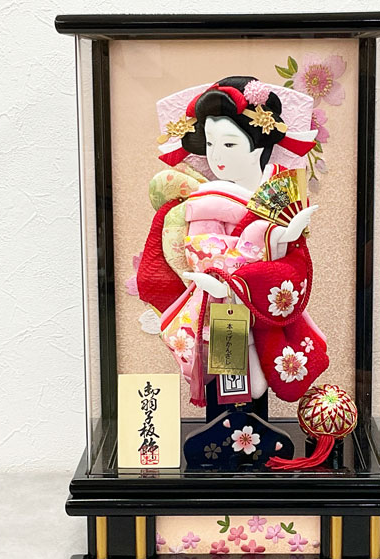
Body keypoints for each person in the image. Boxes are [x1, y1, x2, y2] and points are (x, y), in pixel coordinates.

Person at [137, 76, 329, 409]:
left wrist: (287, 239)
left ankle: (247, 428)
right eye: (210, 144)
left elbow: (291, 263)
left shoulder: (279, 190)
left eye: (229, 145)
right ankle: (230, 429)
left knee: (257, 385)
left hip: (259, 299)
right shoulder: (205, 198)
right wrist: (271, 238)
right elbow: (205, 253)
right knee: (231, 382)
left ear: (259, 146)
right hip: (219, 298)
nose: (216, 156)